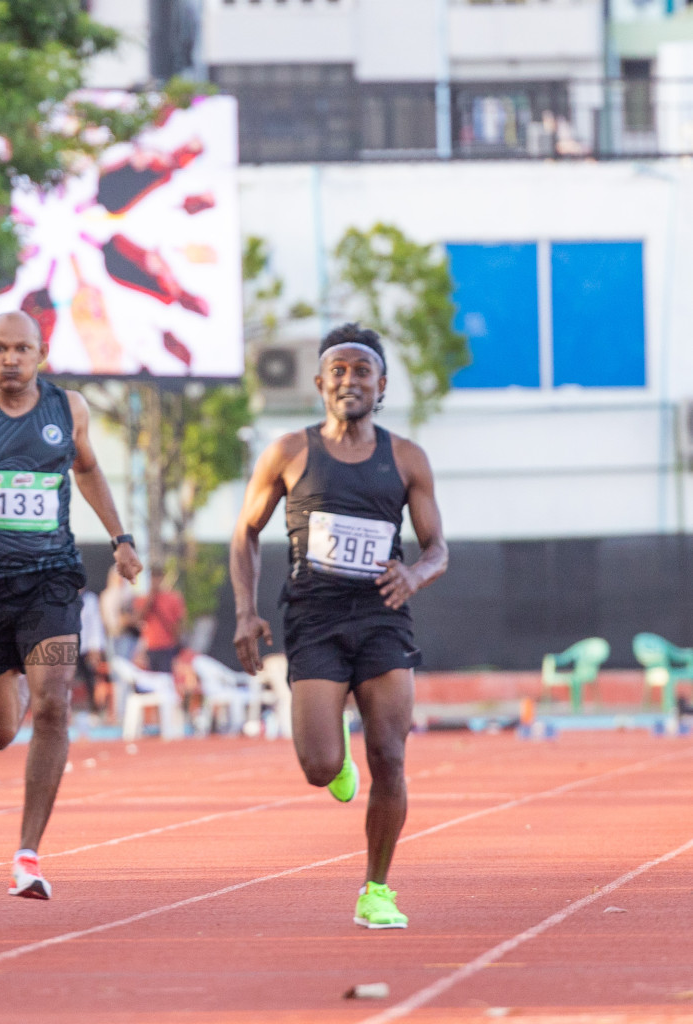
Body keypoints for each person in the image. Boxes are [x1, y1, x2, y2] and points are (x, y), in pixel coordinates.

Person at [0, 310, 141, 899]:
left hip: (51, 578)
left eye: (23, 349)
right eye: (1, 349)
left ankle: (28, 854)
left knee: (54, 704)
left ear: (42, 353)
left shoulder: (69, 410)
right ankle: (4, 668)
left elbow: (88, 471)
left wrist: (121, 538)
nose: (11, 359)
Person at [230, 323, 448, 931]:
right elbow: (245, 531)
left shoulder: (405, 458)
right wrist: (247, 611)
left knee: (392, 756)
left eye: (363, 371)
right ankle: (337, 759)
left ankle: (377, 888)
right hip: (315, 621)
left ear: (382, 385)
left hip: (382, 619)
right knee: (319, 768)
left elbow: (437, 549)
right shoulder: (290, 452)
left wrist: (415, 575)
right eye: (339, 370)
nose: (350, 380)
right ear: (321, 382)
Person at [136, 568, 186, 673]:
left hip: (167, 647)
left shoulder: (173, 598)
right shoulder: (144, 598)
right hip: (150, 647)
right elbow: (140, 618)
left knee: (166, 679)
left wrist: (176, 640)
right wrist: (151, 598)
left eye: (158, 577)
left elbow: (179, 622)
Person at [99, 563, 140, 661]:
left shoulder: (128, 595)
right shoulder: (106, 596)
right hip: (110, 636)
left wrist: (126, 619)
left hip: (125, 635)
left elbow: (134, 616)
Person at [76, 587, 106, 715]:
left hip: (87, 648)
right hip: (68, 647)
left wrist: (95, 648)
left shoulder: (90, 599)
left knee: (90, 679)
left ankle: (95, 710)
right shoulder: (63, 597)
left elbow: (95, 624)